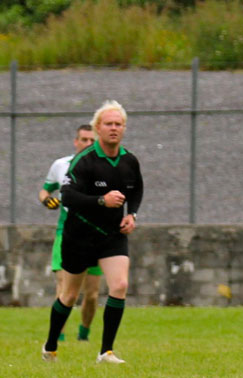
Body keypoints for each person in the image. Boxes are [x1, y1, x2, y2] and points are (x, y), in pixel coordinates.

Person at [41, 100, 143, 364]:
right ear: (98, 127)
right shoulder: (83, 161)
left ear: (124, 129)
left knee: (120, 285)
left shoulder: (129, 160)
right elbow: (67, 195)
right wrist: (101, 201)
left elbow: (137, 190)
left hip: (112, 235)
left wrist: (132, 214)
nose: (113, 128)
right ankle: (50, 345)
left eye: (118, 124)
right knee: (70, 295)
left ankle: (105, 351)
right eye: (108, 123)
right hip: (79, 236)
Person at [39, 124, 101, 342]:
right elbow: (45, 190)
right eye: (84, 140)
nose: (87, 144)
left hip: (95, 234)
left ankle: (83, 334)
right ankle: (60, 337)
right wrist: (47, 200)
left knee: (92, 294)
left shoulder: (103, 167)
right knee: (64, 287)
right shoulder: (61, 165)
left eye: (92, 140)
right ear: (76, 142)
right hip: (66, 232)